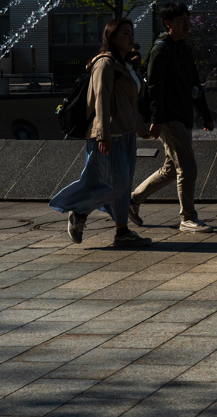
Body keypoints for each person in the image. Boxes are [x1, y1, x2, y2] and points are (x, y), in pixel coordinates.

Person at [50, 18, 151, 247]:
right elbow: (101, 101)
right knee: (118, 184)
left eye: (132, 33)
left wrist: (140, 128)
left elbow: (129, 103)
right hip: (109, 135)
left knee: (123, 187)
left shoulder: (126, 64)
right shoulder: (105, 63)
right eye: (125, 33)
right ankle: (80, 211)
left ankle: (122, 232)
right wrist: (102, 134)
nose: (131, 37)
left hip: (125, 133)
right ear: (112, 37)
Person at [129, 0, 214, 233]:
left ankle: (132, 200)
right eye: (181, 21)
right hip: (169, 118)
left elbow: (195, 85)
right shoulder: (160, 50)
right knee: (187, 167)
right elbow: (155, 88)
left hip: (183, 116)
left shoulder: (184, 48)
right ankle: (188, 217)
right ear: (168, 24)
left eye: (188, 19)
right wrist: (157, 120)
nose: (187, 24)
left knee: (170, 168)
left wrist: (204, 116)